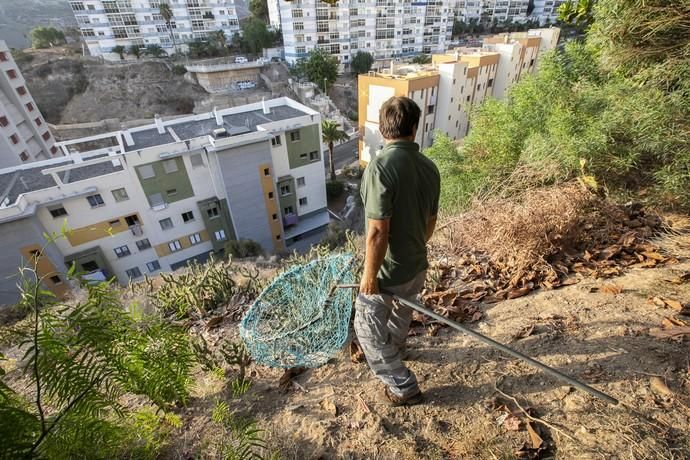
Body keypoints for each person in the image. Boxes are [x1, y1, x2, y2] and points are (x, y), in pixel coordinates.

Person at [354, 96, 441, 406]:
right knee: (401, 312)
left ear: (382, 127)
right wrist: (414, 248)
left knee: (366, 331)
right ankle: (398, 348)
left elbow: (378, 230)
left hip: (387, 271)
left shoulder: (380, 168)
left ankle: (403, 386)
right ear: (414, 128)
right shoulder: (429, 168)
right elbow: (430, 223)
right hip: (417, 265)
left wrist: (369, 276)